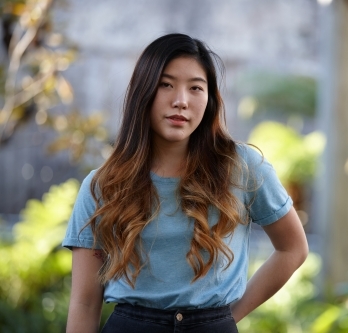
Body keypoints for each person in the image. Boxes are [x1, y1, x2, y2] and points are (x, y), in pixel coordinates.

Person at [63, 33, 308, 333]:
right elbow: (85, 303)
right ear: (144, 91)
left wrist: (229, 316)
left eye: (195, 88)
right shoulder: (102, 185)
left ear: (210, 98)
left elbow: (293, 248)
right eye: (166, 85)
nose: (180, 101)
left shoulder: (243, 167)